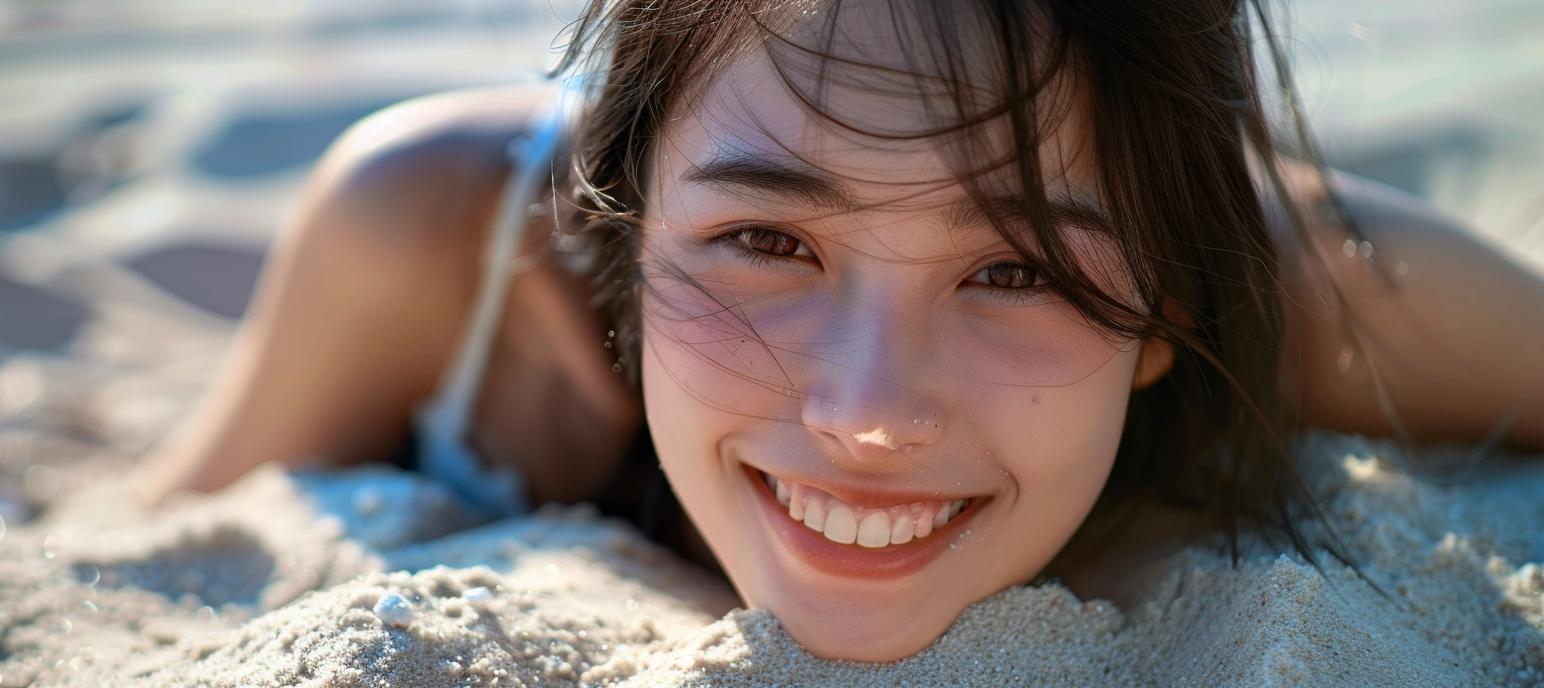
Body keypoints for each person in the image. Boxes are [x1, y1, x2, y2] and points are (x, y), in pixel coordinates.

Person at [133, 0, 1544, 662]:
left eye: (1020, 271)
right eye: (766, 242)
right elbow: (150, 555)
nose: (869, 412)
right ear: (614, 221)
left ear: (1169, 302)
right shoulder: (423, 240)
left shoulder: (1306, 291)